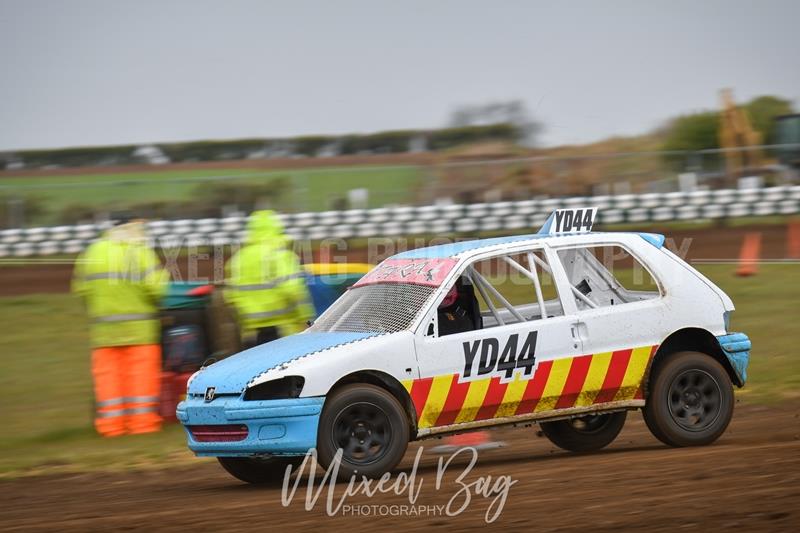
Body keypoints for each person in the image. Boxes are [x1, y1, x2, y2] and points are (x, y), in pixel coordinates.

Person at [72, 215, 169, 437]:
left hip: (103, 334)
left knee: (108, 381)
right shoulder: (139, 251)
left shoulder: (92, 252)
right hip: (140, 332)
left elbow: (82, 290)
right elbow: (159, 289)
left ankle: (111, 427)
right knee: (140, 379)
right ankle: (142, 426)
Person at [224, 210, 314, 346]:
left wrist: (244, 324)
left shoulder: (238, 259)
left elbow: (231, 297)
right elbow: (294, 290)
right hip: (285, 331)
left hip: (252, 334)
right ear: (278, 228)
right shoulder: (279, 254)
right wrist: (306, 320)